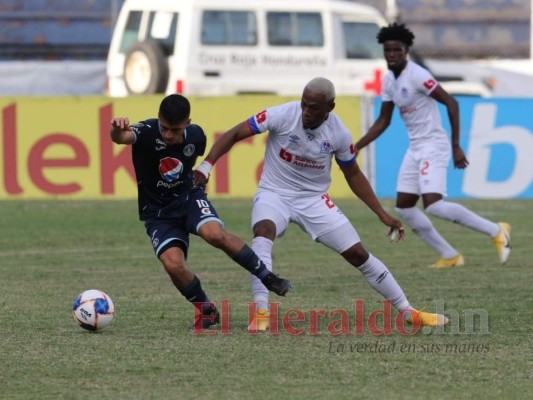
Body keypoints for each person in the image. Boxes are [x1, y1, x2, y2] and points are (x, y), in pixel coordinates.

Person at [193, 77, 448, 332]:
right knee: (263, 232)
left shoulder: (339, 133)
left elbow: (353, 174)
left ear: (330, 107)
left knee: (358, 254)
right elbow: (236, 133)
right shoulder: (282, 115)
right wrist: (206, 166)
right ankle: (261, 311)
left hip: (313, 199)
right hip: (274, 193)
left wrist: (381, 213)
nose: (306, 112)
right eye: (304, 104)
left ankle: (408, 312)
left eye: (314, 107)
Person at [110, 94, 291, 331]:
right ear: (158, 120)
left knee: (214, 234)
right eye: (163, 128)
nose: (167, 135)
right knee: (173, 264)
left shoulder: (196, 136)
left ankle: (268, 277)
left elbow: (194, 163)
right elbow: (122, 137)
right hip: (158, 213)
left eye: (174, 130)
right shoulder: (145, 131)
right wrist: (116, 129)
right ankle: (206, 309)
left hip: (188, 199)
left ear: (187, 123)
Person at [353, 23, 511, 269]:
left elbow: (452, 103)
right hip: (415, 148)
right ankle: (449, 255)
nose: (391, 54)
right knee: (404, 208)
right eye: (387, 50)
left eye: (396, 50)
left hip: (434, 145)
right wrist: (358, 146)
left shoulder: (418, 75)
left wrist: (456, 145)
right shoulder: (388, 81)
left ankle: (496, 230)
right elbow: (384, 120)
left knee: (434, 205)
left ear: (406, 51)